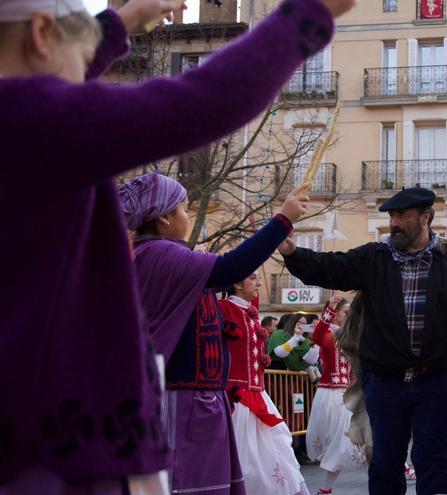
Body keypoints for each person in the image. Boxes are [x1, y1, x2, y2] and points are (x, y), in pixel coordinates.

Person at [0, 0, 350, 491]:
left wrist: (118, 25)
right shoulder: (38, 119)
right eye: (82, 67)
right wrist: (309, 14)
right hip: (50, 421)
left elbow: (41, 62)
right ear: (40, 33)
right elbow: (207, 100)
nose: (84, 83)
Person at [279, 187, 447, 495]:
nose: (394, 223)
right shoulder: (374, 257)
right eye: (392, 216)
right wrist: (292, 254)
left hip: (437, 380)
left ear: (425, 218)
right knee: (386, 463)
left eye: (402, 216)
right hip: (386, 382)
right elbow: (330, 267)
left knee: (432, 460)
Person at [122, 172, 309, 495]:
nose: (187, 216)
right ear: (164, 218)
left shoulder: (157, 255)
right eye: (182, 209)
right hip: (181, 400)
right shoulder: (160, 254)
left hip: (196, 397)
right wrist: (282, 220)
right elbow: (230, 269)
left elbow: (224, 276)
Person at [219, 274, 309, 495]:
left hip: (259, 394)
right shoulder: (223, 308)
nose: (259, 283)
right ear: (237, 284)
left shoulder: (250, 312)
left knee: (277, 448)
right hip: (237, 397)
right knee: (245, 456)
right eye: (253, 278)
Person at [306, 295, 368, 495]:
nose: (349, 316)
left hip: (347, 395)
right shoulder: (329, 335)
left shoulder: (352, 335)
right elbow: (316, 337)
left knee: (351, 439)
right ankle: (325, 488)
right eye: (345, 312)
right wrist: (329, 311)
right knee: (340, 441)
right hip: (330, 395)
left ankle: (325, 489)